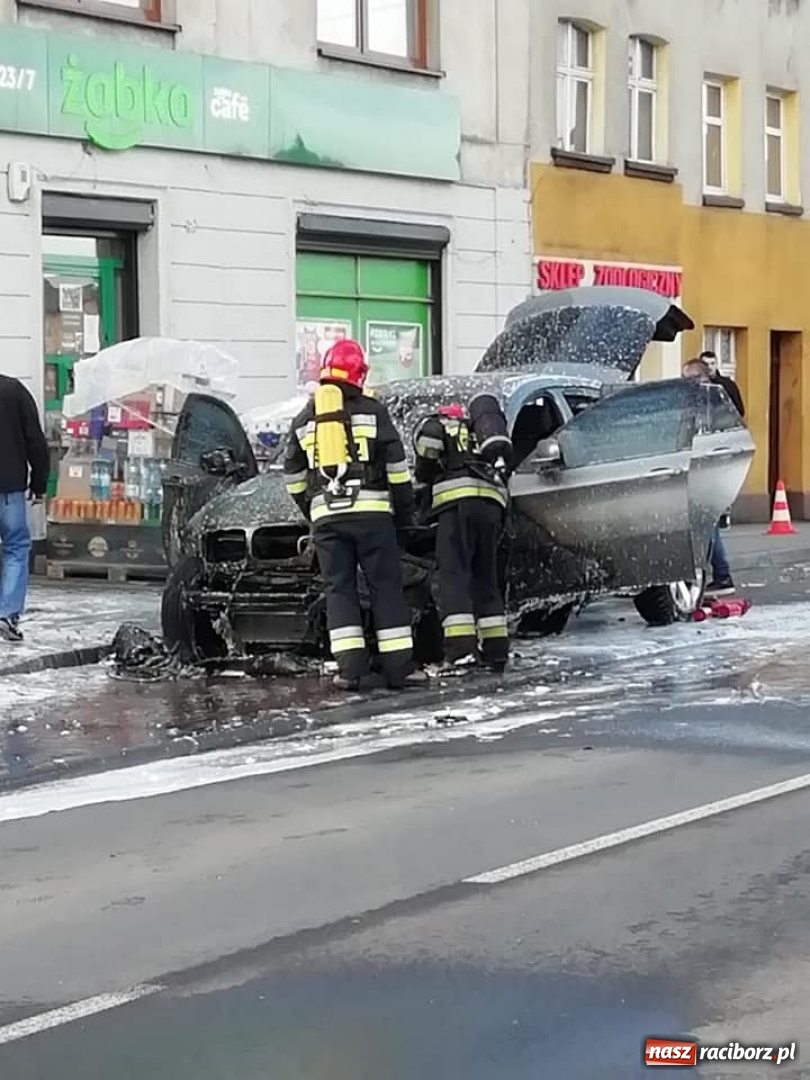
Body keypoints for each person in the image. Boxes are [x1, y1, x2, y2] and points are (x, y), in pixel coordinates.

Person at [283, 339, 420, 691]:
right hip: (374, 517)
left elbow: (293, 477)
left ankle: (350, 671)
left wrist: (313, 511)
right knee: (386, 588)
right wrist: (405, 517)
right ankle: (399, 669)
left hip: (327, 519)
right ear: (359, 373)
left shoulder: (305, 418)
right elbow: (397, 470)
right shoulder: (374, 411)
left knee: (339, 590)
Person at [414, 393, 512, 672]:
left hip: (458, 507)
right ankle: (496, 649)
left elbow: (424, 465)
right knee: (486, 578)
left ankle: (460, 651)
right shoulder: (482, 434)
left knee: (453, 577)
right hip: (492, 506)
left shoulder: (437, 425)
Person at [0, 374, 49, 643]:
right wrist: (39, 483)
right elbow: (35, 441)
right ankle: (7, 614)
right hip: (9, 489)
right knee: (16, 547)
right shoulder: (13, 390)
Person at [682, 358, 735, 595]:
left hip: (708, 472)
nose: (684, 382)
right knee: (707, 524)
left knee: (706, 524)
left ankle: (719, 575)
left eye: (688, 377)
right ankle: (719, 574)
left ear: (700, 377)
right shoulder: (707, 400)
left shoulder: (708, 402)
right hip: (705, 471)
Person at [700, 350, 745, 418]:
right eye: (706, 364)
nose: (709, 367)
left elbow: (740, 411)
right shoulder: (696, 385)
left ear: (716, 364)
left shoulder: (729, 385)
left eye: (712, 363)